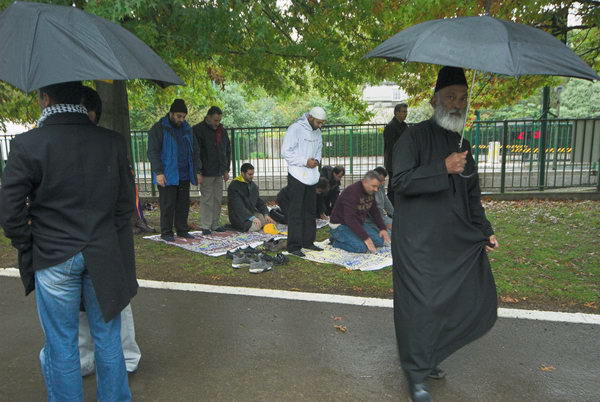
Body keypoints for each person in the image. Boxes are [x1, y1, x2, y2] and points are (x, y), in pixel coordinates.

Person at [0, 81, 135, 400]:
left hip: (53, 254)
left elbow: (9, 210)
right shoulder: (112, 142)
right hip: (102, 252)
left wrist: (28, 242)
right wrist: (105, 236)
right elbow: (125, 205)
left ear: (45, 98)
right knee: (108, 338)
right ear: (82, 100)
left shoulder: (28, 144)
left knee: (61, 342)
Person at [390, 66, 499, 402]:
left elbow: (471, 196)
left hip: (450, 240)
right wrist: (442, 167)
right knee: (419, 306)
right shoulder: (413, 137)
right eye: (451, 97)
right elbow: (400, 183)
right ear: (434, 99)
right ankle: (415, 373)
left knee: (453, 300)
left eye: (463, 98)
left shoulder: (462, 144)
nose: (457, 104)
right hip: (416, 241)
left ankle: (430, 357)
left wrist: (485, 231)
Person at [78, 86, 141, 376]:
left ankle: (125, 358)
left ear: (93, 113)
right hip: (83, 243)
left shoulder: (111, 143)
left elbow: (125, 201)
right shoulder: (57, 143)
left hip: (107, 241)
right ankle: (86, 359)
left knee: (116, 302)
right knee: (79, 307)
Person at [147, 99, 202, 242]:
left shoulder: (187, 129)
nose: (181, 119)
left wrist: (197, 170)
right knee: (167, 205)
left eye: (183, 117)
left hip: (184, 174)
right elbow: (153, 152)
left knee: (183, 204)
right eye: (178, 116)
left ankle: (182, 230)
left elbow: (195, 151)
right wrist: (158, 172)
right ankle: (166, 233)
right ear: (171, 113)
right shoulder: (158, 129)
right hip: (167, 175)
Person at [280, 107, 326, 257]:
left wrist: (317, 160)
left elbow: (319, 149)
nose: (320, 126)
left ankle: (308, 242)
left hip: (312, 176)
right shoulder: (295, 129)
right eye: (319, 122)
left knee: (309, 211)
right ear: (311, 118)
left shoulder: (318, 132)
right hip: (297, 175)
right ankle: (293, 246)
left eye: (322, 123)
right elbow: (286, 152)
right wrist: (304, 162)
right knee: (296, 212)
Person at [329, 171, 391, 253]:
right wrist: (366, 238)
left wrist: (382, 228)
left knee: (380, 241)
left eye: (377, 187)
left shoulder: (370, 191)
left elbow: (375, 211)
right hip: (340, 225)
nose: (376, 189)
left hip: (357, 223)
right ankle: (335, 241)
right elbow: (349, 219)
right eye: (374, 186)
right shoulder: (352, 193)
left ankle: (349, 238)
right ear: (365, 182)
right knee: (361, 247)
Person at [193, 106, 231, 235]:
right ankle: (206, 226)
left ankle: (215, 224)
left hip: (219, 171)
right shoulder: (198, 130)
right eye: (215, 120)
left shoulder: (221, 130)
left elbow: (227, 150)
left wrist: (226, 169)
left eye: (219, 120)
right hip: (206, 171)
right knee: (207, 199)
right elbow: (196, 153)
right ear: (208, 117)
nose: (217, 123)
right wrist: (198, 171)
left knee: (217, 199)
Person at [227, 163, 275, 232]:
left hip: (251, 213)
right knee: (256, 226)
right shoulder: (234, 186)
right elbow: (238, 207)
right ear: (242, 173)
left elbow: (259, 202)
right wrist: (251, 218)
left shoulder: (253, 185)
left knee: (267, 221)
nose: (252, 176)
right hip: (239, 217)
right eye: (249, 174)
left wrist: (266, 214)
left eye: (252, 174)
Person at [383, 103, 408, 205]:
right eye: (403, 111)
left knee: (399, 184)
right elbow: (391, 147)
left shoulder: (404, 125)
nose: (405, 114)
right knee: (393, 186)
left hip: (401, 161)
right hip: (394, 162)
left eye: (406, 112)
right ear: (396, 113)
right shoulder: (391, 127)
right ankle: (392, 209)